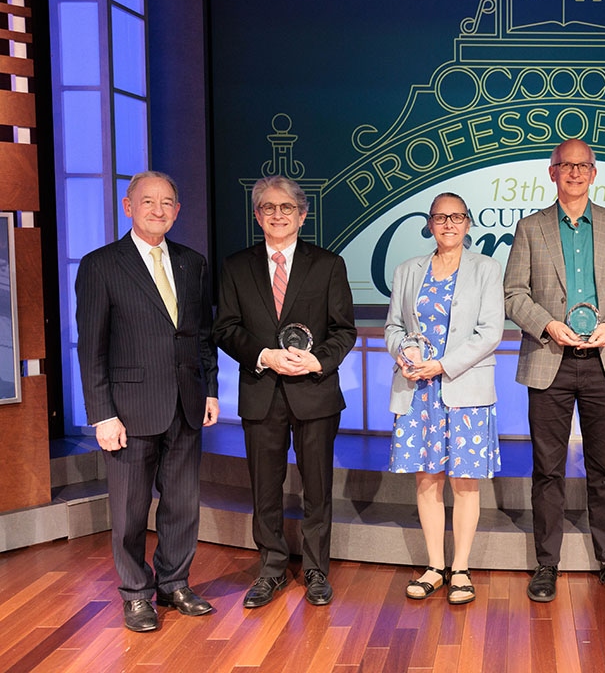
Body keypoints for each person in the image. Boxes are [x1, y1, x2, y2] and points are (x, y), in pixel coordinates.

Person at [504, 138, 605, 602]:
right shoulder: (530, 228)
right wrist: (547, 324)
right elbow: (513, 294)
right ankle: (547, 564)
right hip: (551, 361)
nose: (574, 172)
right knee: (547, 470)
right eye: (565, 165)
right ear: (551, 173)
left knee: (604, 470)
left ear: (594, 172)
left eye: (583, 165)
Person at [75, 171, 219, 632]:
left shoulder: (192, 262)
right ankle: (136, 593)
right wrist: (101, 414)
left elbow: (201, 335)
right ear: (128, 206)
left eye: (168, 203)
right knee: (131, 510)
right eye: (148, 201)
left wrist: (211, 388)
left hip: (186, 402)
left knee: (183, 504)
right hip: (129, 410)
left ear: (178, 210)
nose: (159, 210)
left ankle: (174, 583)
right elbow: (90, 346)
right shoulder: (101, 265)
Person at [213, 175, 356, 608]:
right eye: (269, 208)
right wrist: (263, 355)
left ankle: (315, 571)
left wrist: (317, 359)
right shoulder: (236, 266)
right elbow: (225, 328)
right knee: (265, 489)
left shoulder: (328, 264)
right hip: (261, 391)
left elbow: (343, 330)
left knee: (317, 488)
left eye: (287, 208)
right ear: (257, 215)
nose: (278, 215)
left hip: (314, 392)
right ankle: (272, 569)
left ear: (302, 214)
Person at [385, 193, 504, 605]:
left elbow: (490, 332)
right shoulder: (407, 270)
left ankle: (462, 569)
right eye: (440, 217)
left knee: (464, 483)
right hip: (417, 391)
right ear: (430, 224)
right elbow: (393, 326)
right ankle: (435, 566)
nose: (448, 224)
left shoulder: (486, 269)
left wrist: (442, 365)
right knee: (427, 479)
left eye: (456, 217)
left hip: (463, 388)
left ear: (468, 223)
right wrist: (405, 352)